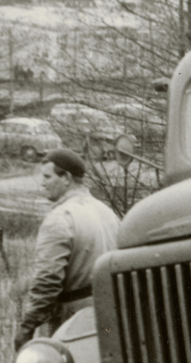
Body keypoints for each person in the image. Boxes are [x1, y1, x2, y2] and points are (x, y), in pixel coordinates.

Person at [14, 148, 119, 350]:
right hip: (110, 314)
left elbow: (47, 281)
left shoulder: (59, 219)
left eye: (47, 177)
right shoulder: (107, 212)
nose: (42, 183)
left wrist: (27, 328)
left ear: (66, 178)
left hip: (73, 323)